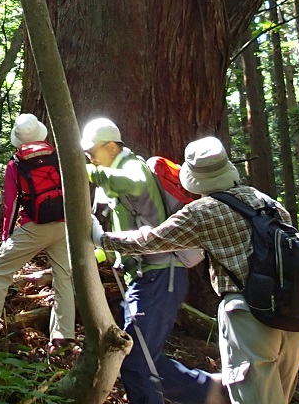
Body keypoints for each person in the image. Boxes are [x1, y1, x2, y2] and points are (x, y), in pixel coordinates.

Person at [94, 137, 299, 404]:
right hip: (294, 319)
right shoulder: (267, 203)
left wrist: (102, 239)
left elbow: (151, 241)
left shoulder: (203, 211)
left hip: (249, 316)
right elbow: (290, 264)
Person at [83, 117, 219, 404]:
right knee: (142, 357)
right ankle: (210, 391)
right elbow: (126, 232)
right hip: (147, 277)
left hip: (161, 275)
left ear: (110, 146)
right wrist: (98, 254)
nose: (90, 157)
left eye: (92, 151)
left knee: (134, 360)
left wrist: (89, 173)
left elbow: (133, 184)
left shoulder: (132, 167)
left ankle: (210, 391)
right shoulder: (114, 173)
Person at [0, 113, 75, 347]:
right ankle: (63, 336)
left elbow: (11, 205)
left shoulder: (15, 164)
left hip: (33, 227)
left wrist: (6, 238)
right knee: (63, 279)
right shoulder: (57, 157)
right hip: (63, 225)